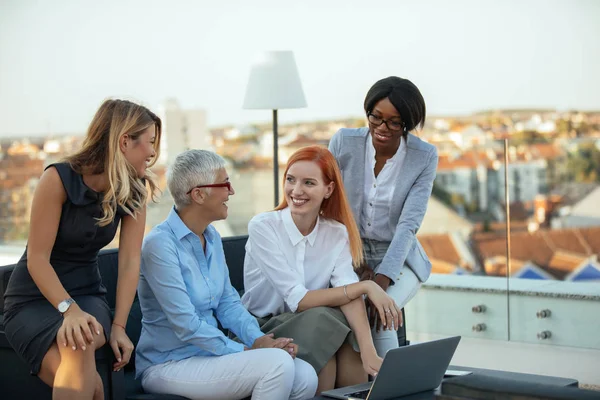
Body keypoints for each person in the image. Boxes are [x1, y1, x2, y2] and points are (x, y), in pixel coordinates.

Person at [3, 99, 161, 399]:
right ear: (124, 141)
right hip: (32, 298)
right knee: (90, 386)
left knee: (81, 340)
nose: (153, 152)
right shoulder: (57, 180)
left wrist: (118, 326)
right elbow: (37, 259)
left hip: (87, 295)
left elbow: (129, 263)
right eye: (149, 142)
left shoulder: (135, 190)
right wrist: (68, 310)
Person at [136, 149, 317, 400]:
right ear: (198, 194)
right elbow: (185, 324)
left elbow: (228, 303)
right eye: (224, 183)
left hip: (210, 357)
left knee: (306, 376)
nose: (231, 191)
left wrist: (259, 340)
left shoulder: (211, 237)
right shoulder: (160, 245)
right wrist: (244, 350)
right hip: (168, 364)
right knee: (276, 365)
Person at [242, 146, 401, 394]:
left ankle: (359, 389)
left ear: (329, 189)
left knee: (340, 324)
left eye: (309, 183)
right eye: (291, 180)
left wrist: (369, 350)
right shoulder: (264, 227)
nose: (296, 190)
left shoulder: (336, 232)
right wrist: (368, 285)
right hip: (261, 328)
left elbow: (347, 294)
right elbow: (299, 300)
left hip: (312, 325)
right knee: (327, 320)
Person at [328, 76, 438, 357]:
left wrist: (382, 280)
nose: (382, 128)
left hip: (399, 258)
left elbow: (408, 226)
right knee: (347, 322)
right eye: (375, 118)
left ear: (408, 122)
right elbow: (329, 207)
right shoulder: (344, 142)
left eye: (394, 122)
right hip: (348, 254)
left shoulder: (424, 156)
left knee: (381, 317)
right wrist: (357, 262)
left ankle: (391, 390)